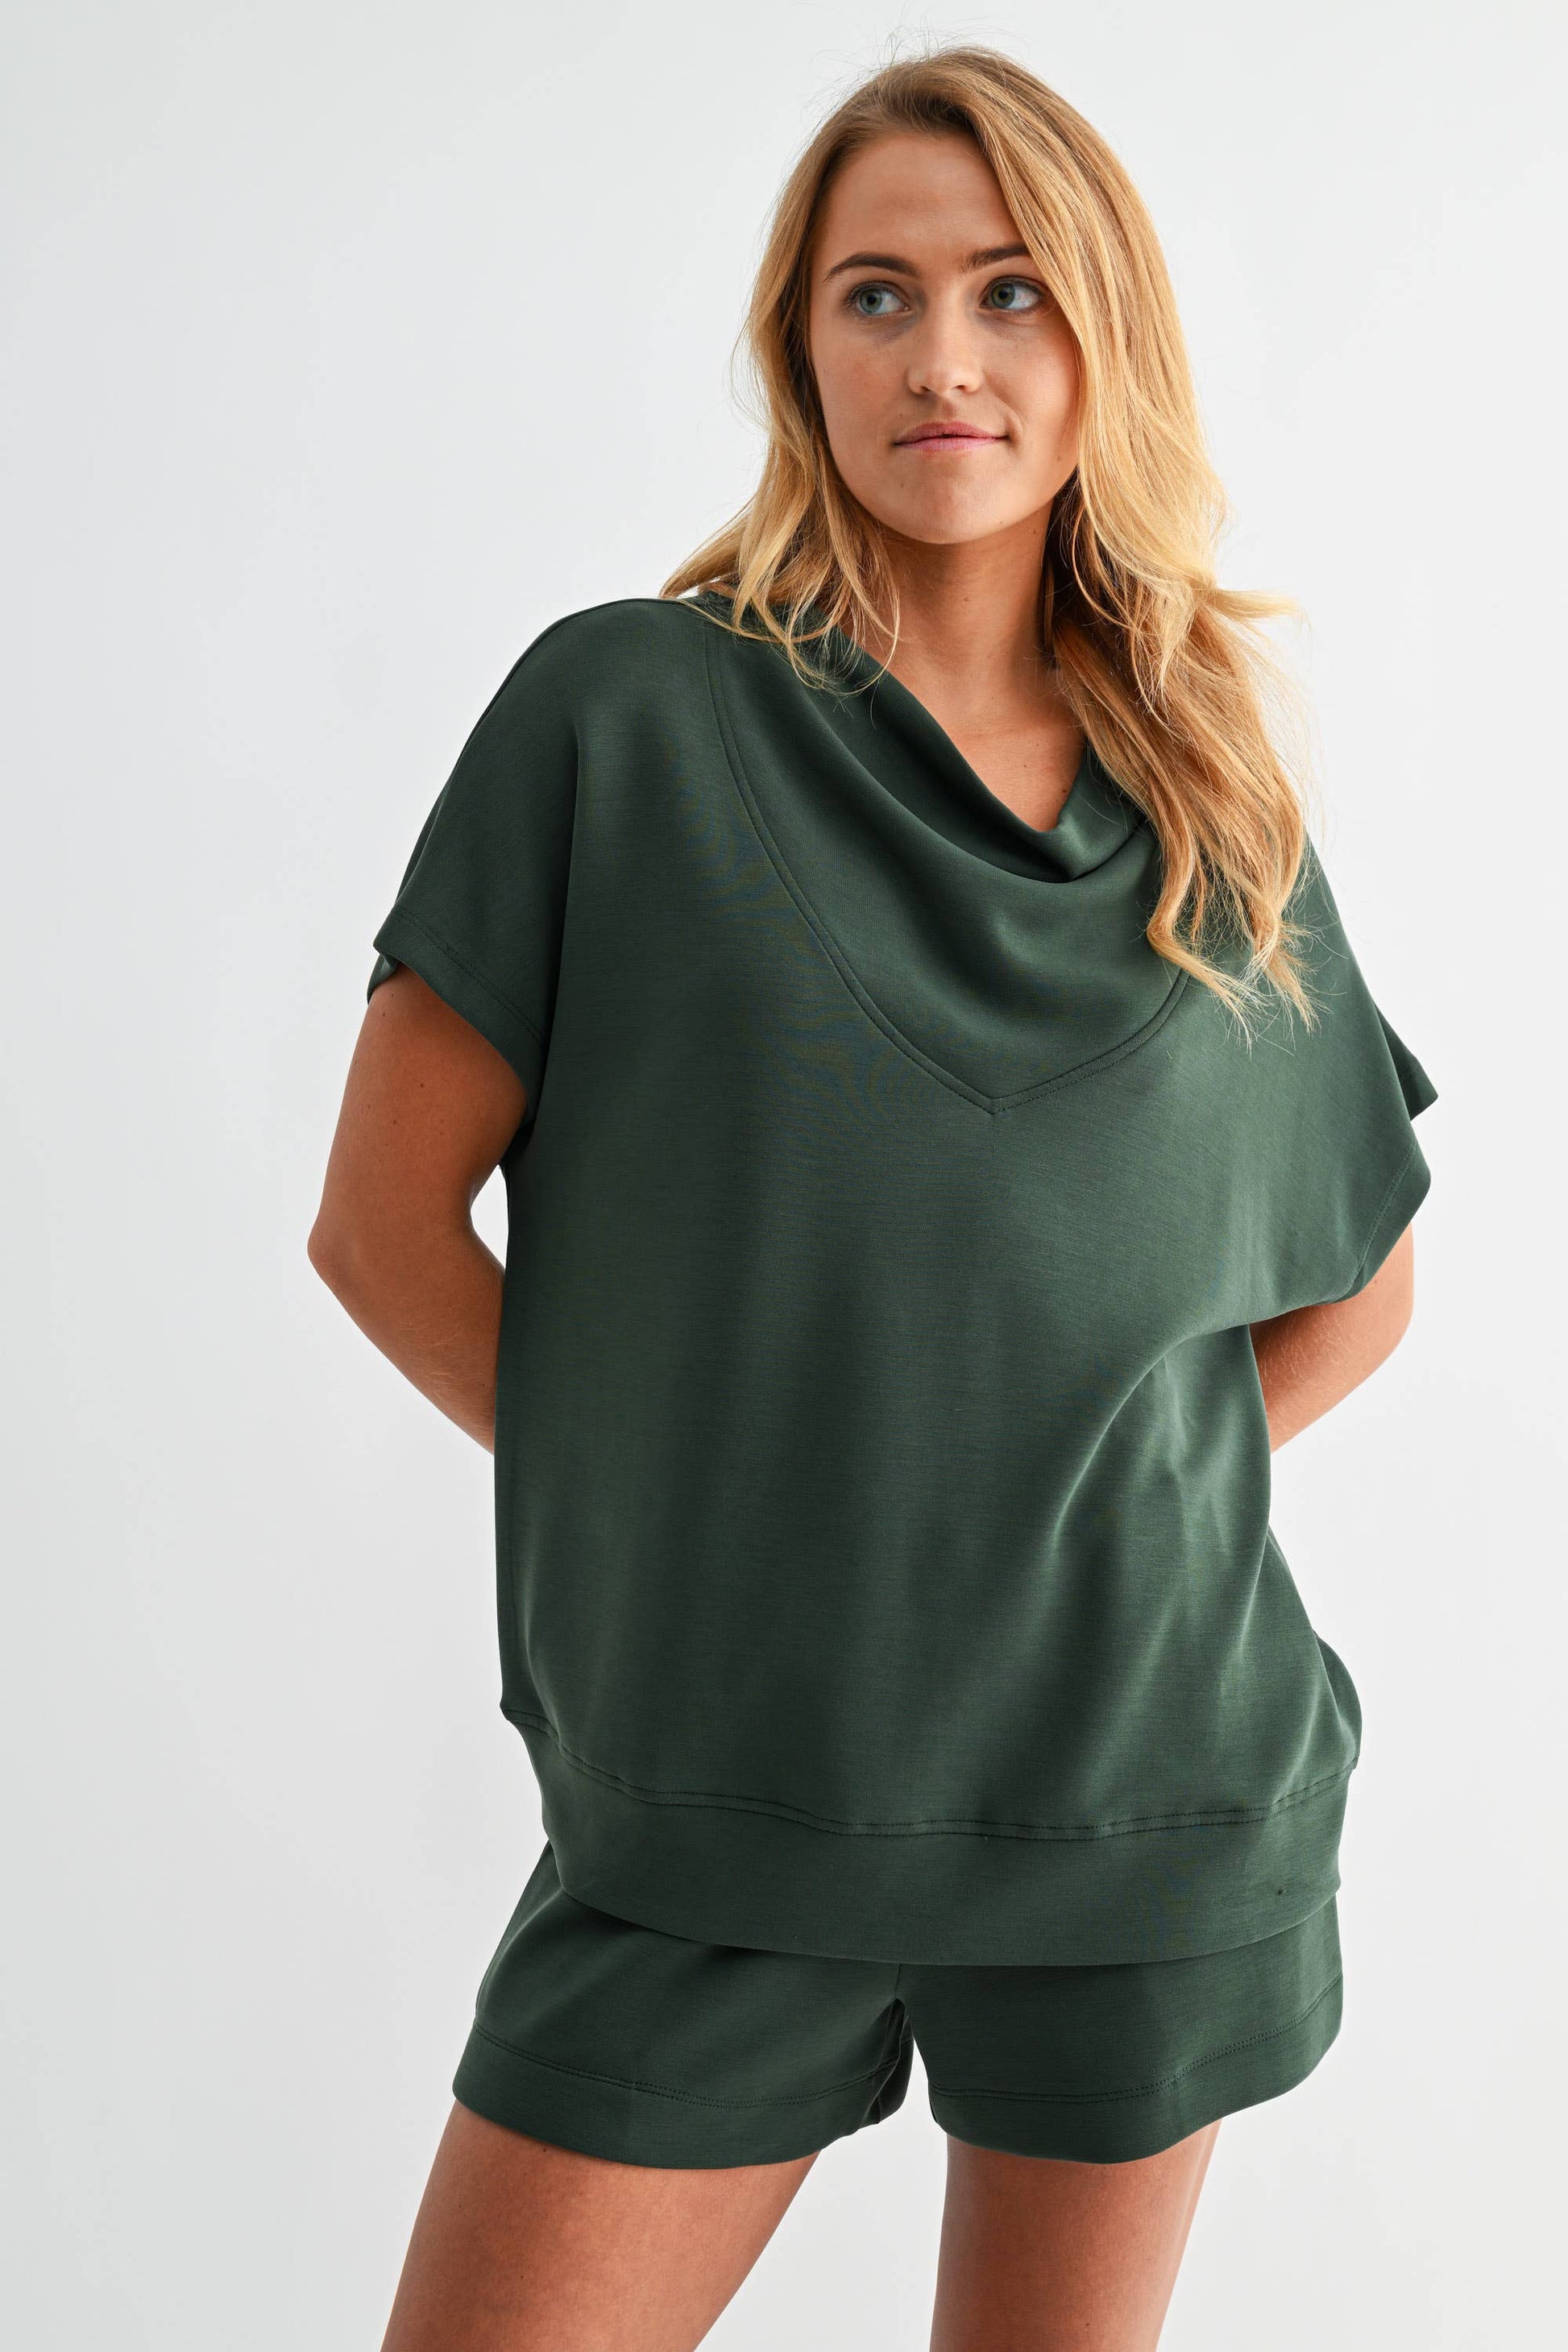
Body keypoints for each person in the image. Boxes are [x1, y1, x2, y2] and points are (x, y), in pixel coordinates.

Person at [309, 44, 1437, 2352]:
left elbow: (1358, 1291)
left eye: (1012, 292)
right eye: (876, 295)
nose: (943, 357)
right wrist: (706, 1500)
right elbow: (381, 1226)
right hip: (720, 1789)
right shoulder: (623, 718)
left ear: (1100, 340)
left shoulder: (1208, 791)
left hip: (1142, 1797)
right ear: (797, 347)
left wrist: (1036, 1513)